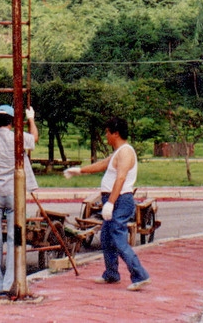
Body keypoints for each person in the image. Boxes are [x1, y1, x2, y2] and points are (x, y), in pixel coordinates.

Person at [63, 116, 150, 291]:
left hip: (119, 200)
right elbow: (103, 164)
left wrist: (110, 203)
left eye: (108, 133)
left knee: (118, 239)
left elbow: (121, 177)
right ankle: (111, 274)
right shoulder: (118, 152)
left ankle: (140, 275)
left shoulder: (125, 152)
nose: (106, 137)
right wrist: (79, 171)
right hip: (114, 199)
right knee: (107, 238)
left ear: (115, 133)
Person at [0, 102, 39, 295]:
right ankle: (10, 281)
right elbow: (34, 138)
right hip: (14, 194)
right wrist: (31, 119)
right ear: (12, 122)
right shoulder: (18, 138)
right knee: (14, 239)